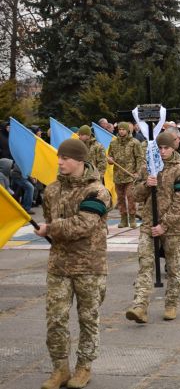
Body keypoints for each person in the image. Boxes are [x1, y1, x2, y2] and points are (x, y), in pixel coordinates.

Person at [35, 139, 112, 389]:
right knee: (55, 319)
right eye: (59, 157)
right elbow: (49, 221)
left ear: (80, 160)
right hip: (59, 265)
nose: (59, 162)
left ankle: (83, 368)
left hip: (90, 266)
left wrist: (51, 228)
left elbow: (84, 224)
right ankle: (60, 369)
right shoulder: (52, 190)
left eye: (65, 158)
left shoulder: (97, 191)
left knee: (88, 320)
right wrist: (47, 230)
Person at [125, 132, 180, 323]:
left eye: (166, 148)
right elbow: (135, 195)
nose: (162, 152)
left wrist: (164, 225)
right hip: (148, 223)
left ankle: (171, 303)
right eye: (159, 148)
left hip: (173, 227)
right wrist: (146, 184)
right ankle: (140, 306)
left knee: (174, 267)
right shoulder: (147, 168)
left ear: (173, 148)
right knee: (145, 264)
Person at [107, 122, 143, 228]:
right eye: (119, 129)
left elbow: (139, 158)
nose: (121, 131)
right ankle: (123, 219)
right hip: (118, 175)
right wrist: (110, 160)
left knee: (131, 197)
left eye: (123, 129)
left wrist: (137, 171)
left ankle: (132, 218)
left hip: (130, 175)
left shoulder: (134, 142)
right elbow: (110, 157)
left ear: (128, 130)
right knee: (120, 198)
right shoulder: (113, 143)